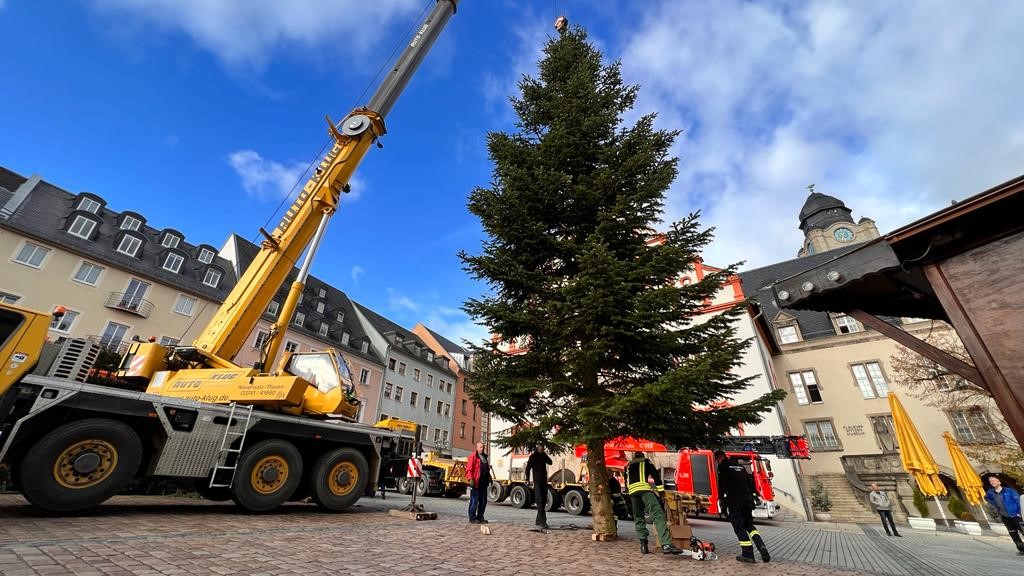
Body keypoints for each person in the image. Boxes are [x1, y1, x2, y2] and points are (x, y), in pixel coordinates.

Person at [624, 451, 685, 555]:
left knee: (639, 518)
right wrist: (661, 493)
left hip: (633, 494)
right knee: (658, 515)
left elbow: (626, 483)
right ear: (642, 456)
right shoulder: (646, 462)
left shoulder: (627, 466)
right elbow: (656, 477)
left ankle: (643, 545)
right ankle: (666, 544)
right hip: (644, 491)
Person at [715, 450, 770, 563]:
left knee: (739, 527)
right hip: (747, 500)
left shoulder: (723, 467)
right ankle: (761, 546)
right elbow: (749, 483)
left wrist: (721, 499)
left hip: (735, 501)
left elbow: (722, 484)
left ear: (719, 458)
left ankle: (748, 554)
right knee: (749, 526)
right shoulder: (740, 467)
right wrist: (754, 496)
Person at [984, 475, 1024, 555]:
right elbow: (986, 497)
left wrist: (1018, 513)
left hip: (1015, 516)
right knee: (1013, 534)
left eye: (994, 480)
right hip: (1005, 517)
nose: (992, 482)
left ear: (999, 482)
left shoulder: (1009, 491)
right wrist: (995, 504)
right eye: (991, 481)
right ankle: (1022, 550)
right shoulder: (991, 492)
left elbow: (1018, 502)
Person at [524, 443, 553, 529]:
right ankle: (543, 521)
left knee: (543, 500)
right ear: (537, 448)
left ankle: (538, 520)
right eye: (541, 448)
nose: (542, 449)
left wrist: (545, 454)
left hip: (544, 481)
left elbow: (550, 462)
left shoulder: (543, 455)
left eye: (543, 448)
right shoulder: (533, 456)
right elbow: (528, 468)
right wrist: (527, 479)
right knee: (539, 500)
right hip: (537, 481)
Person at [466, 441, 491, 524]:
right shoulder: (473, 456)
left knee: (483, 501)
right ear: (477, 447)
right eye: (480, 447)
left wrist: (489, 478)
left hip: (484, 483)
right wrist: (470, 479)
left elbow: (487, 469)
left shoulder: (484, 457)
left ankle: (480, 517)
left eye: (483, 447)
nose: (482, 448)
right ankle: (472, 517)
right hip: (476, 483)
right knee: (474, 500)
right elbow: (469, 469)